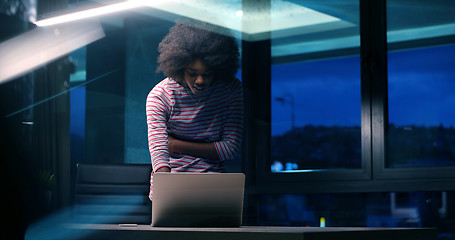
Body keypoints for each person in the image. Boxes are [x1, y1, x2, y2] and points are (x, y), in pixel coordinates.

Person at [146, 19, 243, 200]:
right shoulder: (160, 96)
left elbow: (230, 148)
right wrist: (166, 192)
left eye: (207, 74)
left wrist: (175, 145)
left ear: (218, 68)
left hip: (214, 188)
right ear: (179, 67)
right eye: (192, 73)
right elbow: (159, 154)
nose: (200, 81)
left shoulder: (230, 89)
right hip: (170, 187)